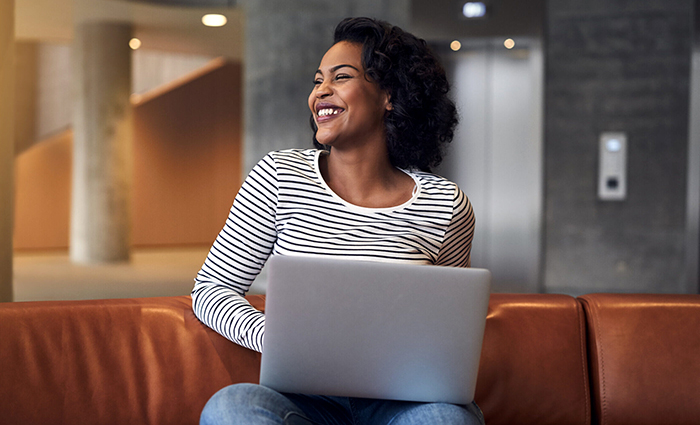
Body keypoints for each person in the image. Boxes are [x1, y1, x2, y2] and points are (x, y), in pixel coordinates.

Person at [192, 17, 482, 425]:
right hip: (305, 398)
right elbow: (211, 289)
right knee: (230, 409)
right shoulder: (279, 176)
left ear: (390, 96)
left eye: (340, 77)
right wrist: (278, 340)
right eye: (317, 81)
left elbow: (450, 329)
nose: (320, 92)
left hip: (405, 402)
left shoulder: (445, 204)